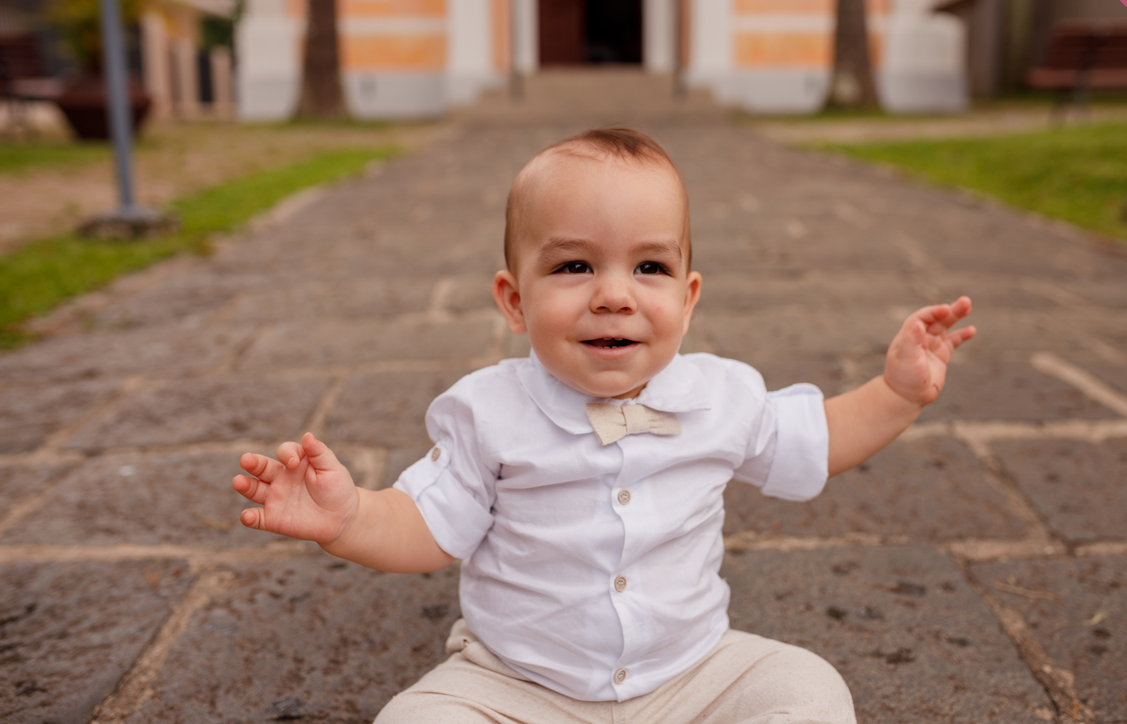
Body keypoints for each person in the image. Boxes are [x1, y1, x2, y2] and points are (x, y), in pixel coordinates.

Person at [232, 128, 975, 723]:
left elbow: (820, 440)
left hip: (693, 675)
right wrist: (349, 517)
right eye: (574, 267)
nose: (614, 295)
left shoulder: (721, 395)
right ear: (514, 300)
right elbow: (424, 527)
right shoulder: (488, 412)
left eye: (649, 268)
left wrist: (895, 392)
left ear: (688, 298)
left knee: (810, 690)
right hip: (518, 684)